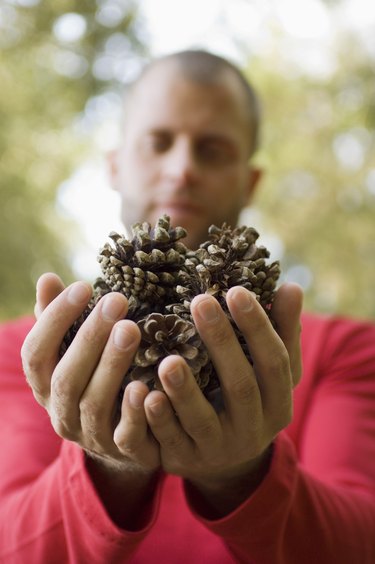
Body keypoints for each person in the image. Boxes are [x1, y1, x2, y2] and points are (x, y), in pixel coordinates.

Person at [1, 49, 375, 564]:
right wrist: (108, 464)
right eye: (158, 143)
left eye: (213, 150)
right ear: (115, 164)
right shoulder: (25, 352)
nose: (182, 170)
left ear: (250, 182)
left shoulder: (347, 352)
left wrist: (242, 475)